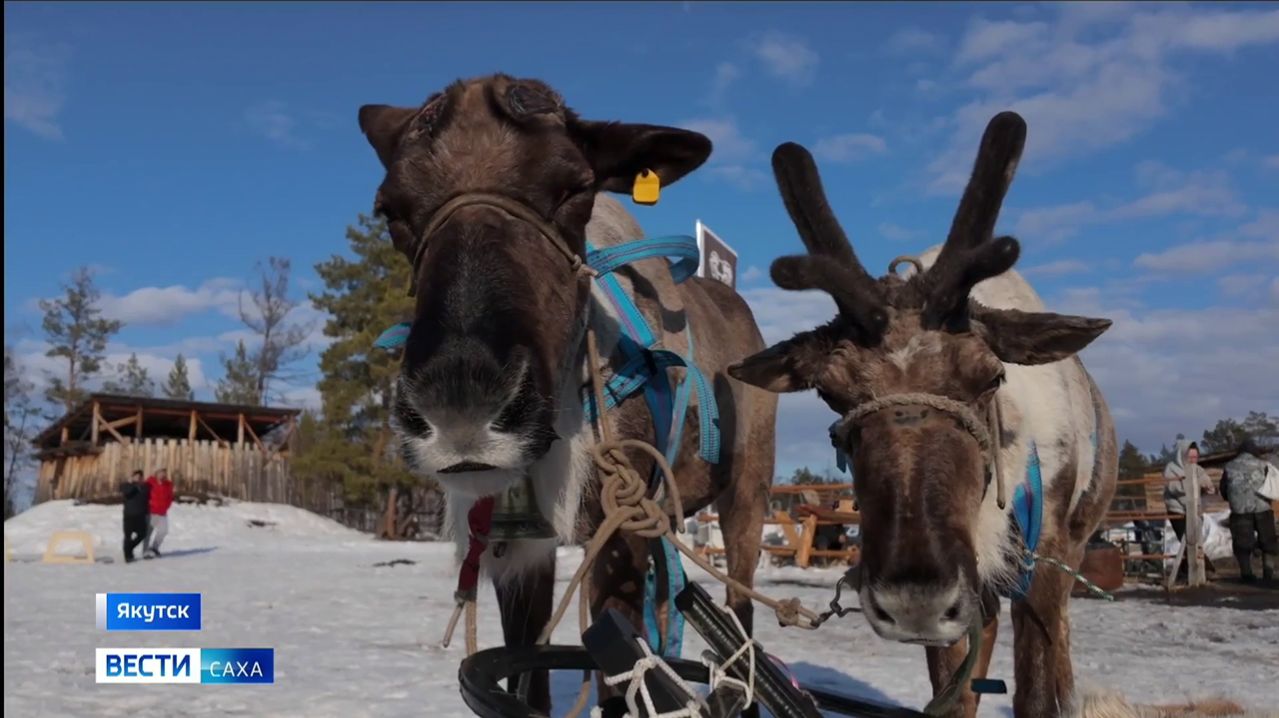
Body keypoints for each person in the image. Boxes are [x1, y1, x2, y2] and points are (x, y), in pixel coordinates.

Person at [1218, 438, 1278, 583]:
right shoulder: (1263, 465)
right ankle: (1268, 574)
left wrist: (1233, 499)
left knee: (1242, 544)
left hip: (1240, 511)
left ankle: (1247, 574)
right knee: (1268, 542)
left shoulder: (1229, 466)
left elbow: (1224, 489)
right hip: (1262, 508)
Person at [1163, 440, 1216, 579]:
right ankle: (1203, 569)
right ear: (1182, 456)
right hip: (1177, 510)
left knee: (1194, 541)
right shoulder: (1172, 468)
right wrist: (1193, 486)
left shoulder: (1197, 469)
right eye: (1190, 457)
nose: (1193, 460)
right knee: (1187, 540)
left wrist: (1208, 487)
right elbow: (1173, 487)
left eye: (1195, 457)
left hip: (1193, 510)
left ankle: (1185, 571)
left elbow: (1207, 482)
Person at [120, 470, 150, 563]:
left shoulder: (144, 487)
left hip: (140, 515)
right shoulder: (126, 485)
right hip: (129, 515)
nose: (138, 478)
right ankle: (128, 556)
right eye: (136, 477)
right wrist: (132, 484)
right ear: (132, 477)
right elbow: (127, 492)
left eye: (140, 477)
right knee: (127, 536)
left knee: (142, 534)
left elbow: (145, 499)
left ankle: (129, 548)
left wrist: (146, 512)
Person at [144, 468, 175, 558]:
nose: (162, 475)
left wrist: (167, 506)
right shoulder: (150, 482)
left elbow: (170, 497)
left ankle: (154, 548)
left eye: (164, 473)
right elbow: (144, 494)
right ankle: (145, 551)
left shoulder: (168, 484)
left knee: (163, 531)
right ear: (156, 473)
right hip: (151, 512)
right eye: (160, 473)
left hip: (162, 512)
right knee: (148, 532)